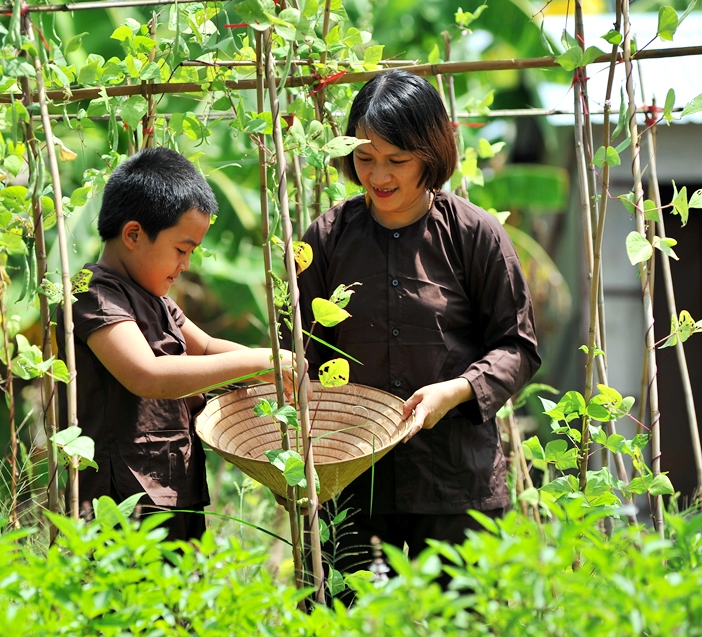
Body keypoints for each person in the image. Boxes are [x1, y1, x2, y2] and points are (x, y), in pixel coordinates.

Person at [292, 70, 540, 579]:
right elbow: (297, 355)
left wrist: (456, 390)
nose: (378, 175)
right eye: (365, 158)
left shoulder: (477, 236)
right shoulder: (325, 239)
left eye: (396, 160)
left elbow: (517, 345)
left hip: (455, 481)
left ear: (430, 154)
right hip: (351, 481)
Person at [59, 147, 295, 542]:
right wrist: (262, 359)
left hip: (175, 487)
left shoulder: (158, 300)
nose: (186, 265)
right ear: (133, 234)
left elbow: (204, 349)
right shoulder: (94, 294)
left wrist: (281, 367)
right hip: (122, 502)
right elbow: (147, 375)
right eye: (181, 250)